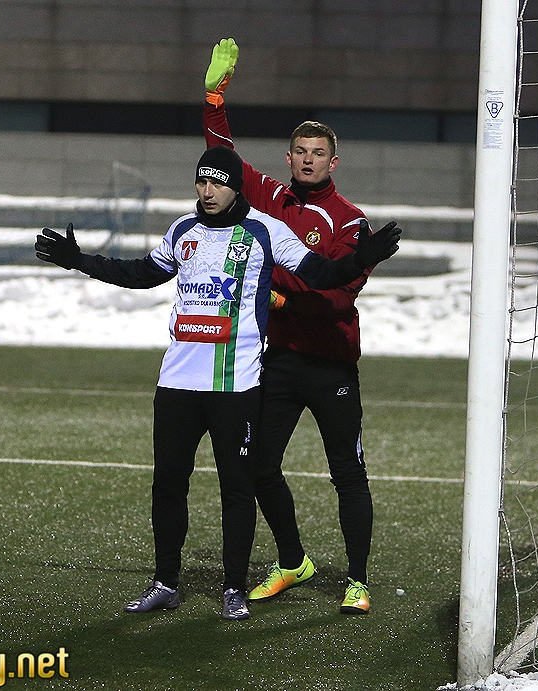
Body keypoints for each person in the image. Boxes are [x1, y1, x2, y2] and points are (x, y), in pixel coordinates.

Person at [35, 145, 400, 620]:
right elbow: (141, 274)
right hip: (177, 383)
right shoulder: (182, 230)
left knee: (237, 489)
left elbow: (322, 273)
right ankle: (165, 582)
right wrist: (79, 260)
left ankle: (233, 587)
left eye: (218, 182)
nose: (208, 191)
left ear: (235, 187)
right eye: (202, 181)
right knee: (168, 485)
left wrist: (360, 259)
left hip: (235, 385)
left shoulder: (267, 231)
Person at [203, 38, 386, 614]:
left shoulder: (350, 221)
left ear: (333, 163)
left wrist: (281, 298)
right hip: (278, 360)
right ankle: (292, 561)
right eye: (300, 152)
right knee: (259, 466)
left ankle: (357, 579)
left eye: (318, 153)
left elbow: (338, 293)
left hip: (331, 363)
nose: (308, 160)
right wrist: (214, 101)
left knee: (347, 473)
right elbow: (223, 162)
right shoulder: (272, 199)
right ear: (289, 158)